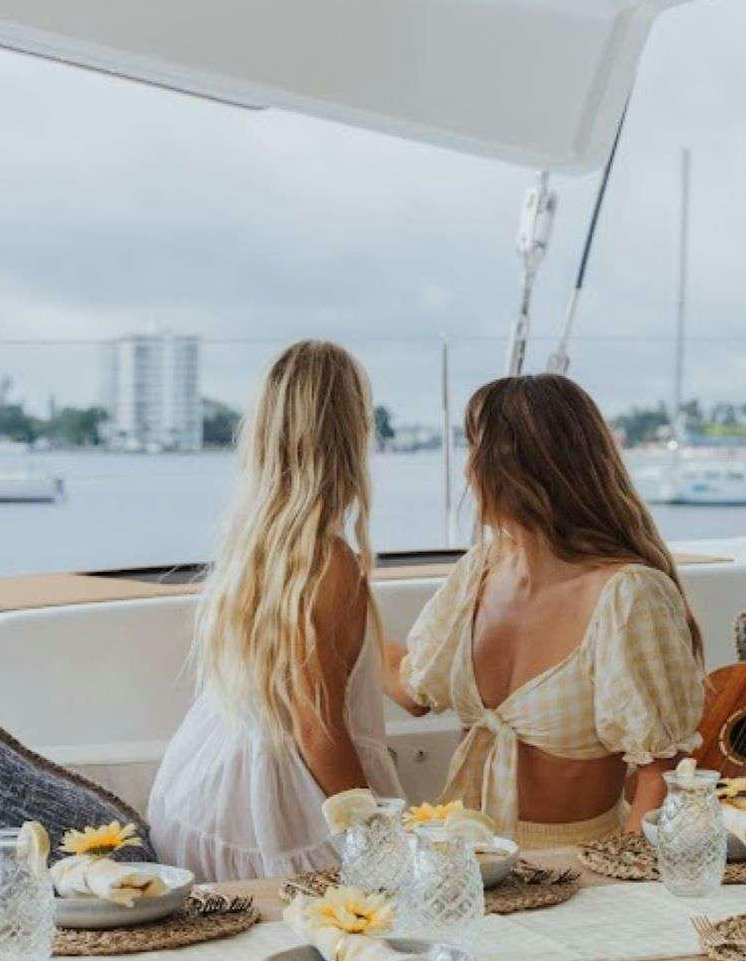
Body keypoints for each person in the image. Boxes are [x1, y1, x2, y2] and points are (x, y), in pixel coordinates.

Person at [385, 373, 705, 845]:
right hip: (469, 857)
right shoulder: (480, 569)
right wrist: (345, 611)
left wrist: (620, 880)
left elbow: (661, 777)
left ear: (509, 469)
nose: (467, 472)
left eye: (475, 450)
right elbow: (415, 691)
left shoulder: (628, 594)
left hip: (579, 864)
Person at [149, 340, 402, 880]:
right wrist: (382, 842)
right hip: (271, 819)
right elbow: (318, 729)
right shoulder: (328, 560)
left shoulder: (255, 540)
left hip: (203, 796)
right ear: (353, 433)